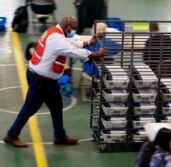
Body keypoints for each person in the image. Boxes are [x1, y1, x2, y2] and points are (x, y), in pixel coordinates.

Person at [3, 16, 107, 147]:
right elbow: (72, 51)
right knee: (29, 108)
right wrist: (95, 54)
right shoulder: (56, 38)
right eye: (73, 28)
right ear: (66, 27)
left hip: (45, 79)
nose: (74, 31)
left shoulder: (55, 32)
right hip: (40, 80)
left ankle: (59, 136)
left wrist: (88, 43)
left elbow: (70, 42)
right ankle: (11, 135)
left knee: (56, 105)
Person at [80, 22, 121, 101]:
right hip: (106, 70)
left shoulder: (90, 44)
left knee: (86, 67)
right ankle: (101, 84)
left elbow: (82, 58)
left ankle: (94, 85)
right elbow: (120, 48)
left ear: (93, 31)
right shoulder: (111, 43)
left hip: (92, 71)